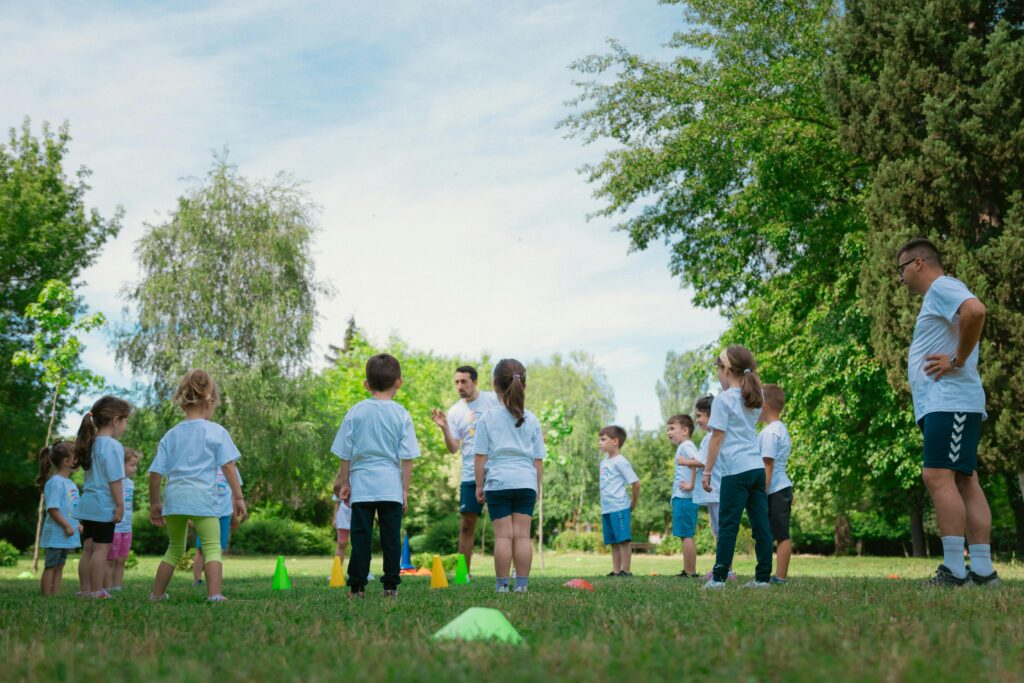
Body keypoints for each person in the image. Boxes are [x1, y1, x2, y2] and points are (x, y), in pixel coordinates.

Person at [896, 237, 996, 586]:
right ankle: (982, 571)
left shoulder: (942, 287)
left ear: (919, 263)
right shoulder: (940, 293)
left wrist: (956, 359)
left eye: (901, 269)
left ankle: (955, 569)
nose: (901, 278)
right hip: (949, 404)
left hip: (950, 402)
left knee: (937, 477)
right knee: (966, 482)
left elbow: (976, 310)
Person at [149, 370, 247, 602]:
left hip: (174, 498)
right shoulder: (216, 431)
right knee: (213, 547)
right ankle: (214, 595)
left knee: (174, 549)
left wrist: (155, 503)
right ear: (210, 399)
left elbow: (155, 473)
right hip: (203, 499)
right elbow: (228, 466)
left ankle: (156, 595)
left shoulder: (171, 435)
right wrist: (239, 497)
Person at [332, 353, 420, 598]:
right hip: (390, 486)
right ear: (399, 382)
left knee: (360, 539)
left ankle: (357, 587)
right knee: (390, 540)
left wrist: (345, 483)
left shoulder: (355, 412)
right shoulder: (401, 414)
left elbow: (345, 453)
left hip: (362, 486)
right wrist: (404, 490)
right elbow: (407, 457)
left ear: (366, 384)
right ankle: (390, 587)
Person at [701, 345, 773, 590]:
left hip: (735, 472)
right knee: (761, 524)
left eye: (719, 370)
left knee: (728, 525)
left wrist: (707, 471)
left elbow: (717, 438)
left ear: (727, 370)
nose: (718, 375)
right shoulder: (756, 395)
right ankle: (763, 578)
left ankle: (719, 578)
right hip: (755, 468)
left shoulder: (723, 399)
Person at [474, 358, 546, 593]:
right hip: (526, 482)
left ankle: (503, 585)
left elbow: (480, 457)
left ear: (495, 384)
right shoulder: (532, 419)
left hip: (498, 482)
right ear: (523, 385)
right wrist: (537, 487)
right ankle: (522, 586)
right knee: (523, 537)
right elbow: (538, 460)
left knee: (504, 538)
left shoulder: (487, 418)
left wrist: (478, 485)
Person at [431, 365, 500, 578]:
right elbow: (453, 448)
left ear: (475, 382)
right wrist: (444, 427)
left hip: (498, 470)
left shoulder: (493, 399)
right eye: (457, 382)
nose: (460, 386)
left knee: (505, 524)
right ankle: (463, 574)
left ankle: (513, 572)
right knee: (467, 525)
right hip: (471, 474)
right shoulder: (454, 412)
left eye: (464, 381)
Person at [74, 396, 130, 599]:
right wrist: (120, 504)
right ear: (116, 420)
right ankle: (97, 590)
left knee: (88, 549)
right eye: (125, 421)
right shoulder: (113, 446)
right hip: (104, 505)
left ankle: (85, 589)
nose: (125, 426)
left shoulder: (91, 443)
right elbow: (115, 479)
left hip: (87, 504)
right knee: (101, 550)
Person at [37, 441, 81, 596]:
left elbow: (72, 508)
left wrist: (77, 524)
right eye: (77, 457)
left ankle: (55, 595)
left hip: (64, 535)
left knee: (60, 565)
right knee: (51, 566)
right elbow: (53, 509)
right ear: (67, 461)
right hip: (56, 534)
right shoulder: (55, 483)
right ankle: (46, 595)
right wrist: (67, 526)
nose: (80, 460)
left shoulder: (70, 484)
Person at [758, 385, 792, 585]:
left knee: (781, 535)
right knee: (776, 534)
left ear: (763, 406)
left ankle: (779, 577)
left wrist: (761, 493)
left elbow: (767, 465)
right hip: (779, 488)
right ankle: (773, 575)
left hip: (775, 490)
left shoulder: (771, 432)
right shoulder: (781, 429)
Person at [598, 425, 640, 577]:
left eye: (603, 439)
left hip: (619, 507)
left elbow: (636, 483)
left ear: (615, 441)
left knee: (623, 540)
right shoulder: (604, 462)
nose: (600, 443)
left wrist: (633, 504)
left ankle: (626, 571)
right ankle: (616, 571)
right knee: (613, 541)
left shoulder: (621, 461)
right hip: (607, 508)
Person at [193, 467, 243, 587]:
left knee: (218, 549)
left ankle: (214, 580)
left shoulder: (232, 468)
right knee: (201, 549)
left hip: (225, 514)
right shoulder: (205, 463)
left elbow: (234, 494)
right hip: (207, 513)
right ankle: (197, 580)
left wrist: (235, 515)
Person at [667, 414, 700, 577]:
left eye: (672, 428)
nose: (669, 432)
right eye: (668, 429)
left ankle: (691, 571)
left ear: (685, 430)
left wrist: (691, 484)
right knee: (684, 534)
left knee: (686, 534)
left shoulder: (687, 445)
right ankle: (687, 570)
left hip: (686, 497)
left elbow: (697, 461)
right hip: (682, 497)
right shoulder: (683, 446)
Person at [105, 448, 141, 592]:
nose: (135, 468)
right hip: (115, 527)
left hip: (127, 527)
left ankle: (117, 586)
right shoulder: (114, 482)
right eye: (132, 465)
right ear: (121, 465)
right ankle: (106, 586)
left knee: (122, 559)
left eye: (135, 465)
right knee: (111, 559)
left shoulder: (131, 483)